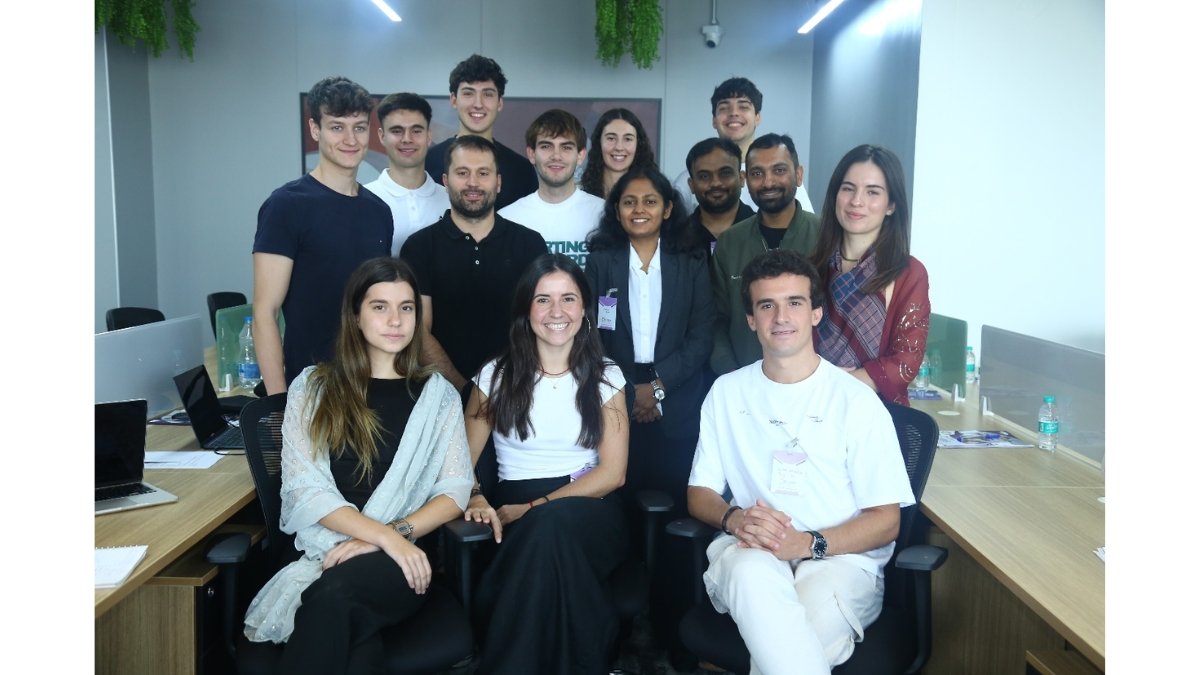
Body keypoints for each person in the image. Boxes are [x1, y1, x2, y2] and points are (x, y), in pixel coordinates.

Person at [687, 249, 915, 675]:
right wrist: (735, 519)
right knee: (755, 582)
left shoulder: (856, 401)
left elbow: (887, 521)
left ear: (815, 313)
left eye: (794, 302)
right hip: (751, 549)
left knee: (793, 642)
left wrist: (808, 544)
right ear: (750, 319)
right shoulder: (727, 393)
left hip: (839, 560)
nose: (781, 317)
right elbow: (700, 492)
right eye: (766, 305)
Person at [242, 257, 473, 673]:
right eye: (379, 306)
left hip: (400, 563)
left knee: (333, 597)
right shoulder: (313, 387)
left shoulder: (438, 396)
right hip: (322, 550)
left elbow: (455, 491)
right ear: (355, 316)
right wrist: (381, 536)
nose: (395, 320)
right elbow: (305, 491)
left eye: (406, 308)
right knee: (355, 645)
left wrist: (393, 538)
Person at [462, 253, 630, 674]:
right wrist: (477, 496)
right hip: (513, 503)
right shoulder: (495, 376)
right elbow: (459, 463)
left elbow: (613, 474)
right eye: (543, 300)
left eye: (568, 299)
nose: (557, 312)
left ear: (585, 309)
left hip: (590, 505)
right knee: (547, 547)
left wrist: (536, 508)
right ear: (526, 310)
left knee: (548, 527)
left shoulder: (606, 375)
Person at [584, 167, 713, 661]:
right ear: (616, 211)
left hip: (675, 402)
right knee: (618, 519)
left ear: (668, 208)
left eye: (650, 201)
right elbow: (590, 333)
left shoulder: (690, 260)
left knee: (677, 522)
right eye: (629, 201)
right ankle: (615, 637)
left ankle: (672, 634)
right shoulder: (601, 261)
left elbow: (701, 335)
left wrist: (656, 388)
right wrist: (626, 390)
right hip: (612, 397)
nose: (639, 209)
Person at [253, 76, 393, 394]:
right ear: (315, 129)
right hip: (310, 389)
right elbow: (265, 313)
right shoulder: (286, 205)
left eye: (359, 127)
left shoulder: (379, 211)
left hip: (370, 386)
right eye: (337, 127)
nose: (350, 139)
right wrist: (279, 403)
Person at [399, 135, 547, 397]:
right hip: (439, 396)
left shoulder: (530, 244)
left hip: (515, 393)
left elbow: (539, 324)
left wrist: (504, 389)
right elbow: (418, 331)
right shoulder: (419, 247)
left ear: (498, 182)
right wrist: (465, 391)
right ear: (445, 181)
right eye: (462, 173)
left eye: (483, 173)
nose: (473, 183)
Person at [810, 144, 930, 405]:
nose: (857, 201)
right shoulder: (810, 269)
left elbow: (906, 362)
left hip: (877, 412)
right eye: (848, 188)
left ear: (891, 205)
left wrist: (837, 383)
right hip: (811, 407)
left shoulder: (909, 273)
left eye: (872, 192)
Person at [710, 133, 820, 376]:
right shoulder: (730, 242)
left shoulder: (825, 237)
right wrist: (730, 373)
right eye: (757, 173)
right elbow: (716, 319)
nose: (768, 182)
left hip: (812, 382)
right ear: (746, 180)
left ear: (798, 175)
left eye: (779, 170)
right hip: (743, 380)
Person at [671, 77, 813, 215]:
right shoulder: (688, 180)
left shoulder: (784, 176)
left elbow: (805, 225)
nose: (734, 113)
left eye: (743, 107)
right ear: (714, 120)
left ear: (757, 117)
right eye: (724, 108)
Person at [426, 54, 537, 210]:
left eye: (487, 94)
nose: (478, 104)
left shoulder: (522, 170)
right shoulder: (428, 163)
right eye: (468, 93)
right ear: (453, 100)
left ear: (499, 103)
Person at [498, 108, 605, 268]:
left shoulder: (604, 214)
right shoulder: (506, 219)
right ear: (531, 154)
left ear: (581, 155)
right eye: (546, 146)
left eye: (566, 147)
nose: (556, 156)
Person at [363, 92, 450, 255]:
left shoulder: (450, 201)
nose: (407, 139)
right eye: (397, 131)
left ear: (429, 136)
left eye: (416, 131)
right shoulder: (363, 201)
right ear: (382, 136)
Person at [683, 137, 756, 259]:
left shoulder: (763, 230)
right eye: (704, 176)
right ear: (692, 185)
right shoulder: (676, 237)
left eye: (725, 173)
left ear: (742, 178)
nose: (716, 183)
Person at [580, 107, 658, 199]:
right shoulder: (580, 194)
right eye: (611, 138)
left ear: (638, 144)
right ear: (599, 142)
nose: (619, 147)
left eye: (628, 139)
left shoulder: (655, 194)